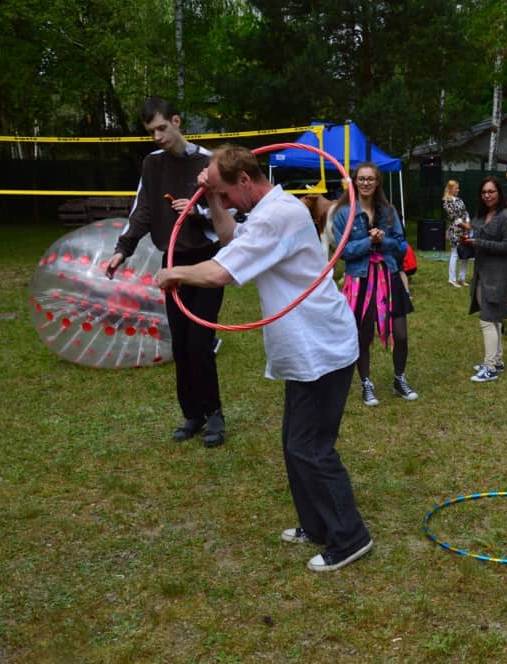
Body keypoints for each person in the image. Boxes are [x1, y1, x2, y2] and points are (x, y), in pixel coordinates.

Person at [155, 144, 372, 571]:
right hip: (305, 343)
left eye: (226, 192)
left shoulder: (278, 215)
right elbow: (232, 239)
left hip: (322, 344)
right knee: (295, 443)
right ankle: (316, 523)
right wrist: (214, 197)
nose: (227, 202)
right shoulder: (266, 210)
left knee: (312, 447)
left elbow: (221, 271)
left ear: (244, 181)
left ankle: (349, 538)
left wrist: (174, 272)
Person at [105, 97, 226, 447]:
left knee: (201, 342)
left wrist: (196, 213)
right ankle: (193, 414)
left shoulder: (207, 162)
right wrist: (121, 250)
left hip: (206, 261)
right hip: (171, 265)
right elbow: (142, 210)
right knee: (182, 344)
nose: (158, 136)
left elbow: (229, 216)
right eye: (151, 132)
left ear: (176, 120)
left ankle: (215, 414)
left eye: (162, 128)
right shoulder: (153, 165)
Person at [331, 162, 418, 406]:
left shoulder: (388, 212)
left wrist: (384, 240)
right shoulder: (344, 214)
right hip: (361, 279)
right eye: (362, 179)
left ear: (377, 182)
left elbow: (401, 246)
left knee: (400, 334)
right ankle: (366, 383)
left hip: (389, 276)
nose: (366, 183)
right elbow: (343, 251)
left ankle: (399, 378)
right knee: (363, 334)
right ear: (355, 182)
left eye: (371, 179)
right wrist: (370, 242)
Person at [466, 176, 507, 382]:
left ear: (499, 193)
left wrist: (480, 242)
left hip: (497, 275)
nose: (487, 195)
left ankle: (490, 368)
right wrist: (466, 236)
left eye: (491, 191)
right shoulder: (481, 215)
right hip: (480, 272)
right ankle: (497, 360)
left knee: (487, 320)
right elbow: (475, 240)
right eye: (484, 192)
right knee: (492, 318)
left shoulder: (506, 217)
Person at [442, 180, 472, 288]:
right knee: (455, 253)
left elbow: (466, 212)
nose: (458, 190)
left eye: (458, 188)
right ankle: (452, 279)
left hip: (465, 230)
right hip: (455, 230)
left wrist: (468, 223)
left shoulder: (460, 200)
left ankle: (462, 278)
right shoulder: (447, 202)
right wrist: (465, 225)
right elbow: (453, 217)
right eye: (456, 188)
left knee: (466, 253)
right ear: (450, 189)